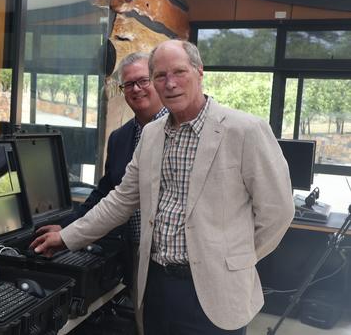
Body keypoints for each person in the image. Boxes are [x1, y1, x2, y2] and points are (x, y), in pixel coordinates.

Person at [31, 39, 294, 334]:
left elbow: (278, 211)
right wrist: (66, 237)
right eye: (160, 76)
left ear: (199, 72)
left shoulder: (245, 130)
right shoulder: (152, 134)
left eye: (179, 72)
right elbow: (120, 200)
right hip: (156, 286)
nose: (170, 84)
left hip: (216, 291)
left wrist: (235, 259)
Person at [35, 52, 166, 331]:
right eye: (128, 85)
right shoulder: (120, 139)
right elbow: (107, 193)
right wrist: (66, 227)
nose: (136, 89)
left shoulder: (177, 131)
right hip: (131, 253)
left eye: (143, 80)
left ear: (156, 81)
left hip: (168, 259)